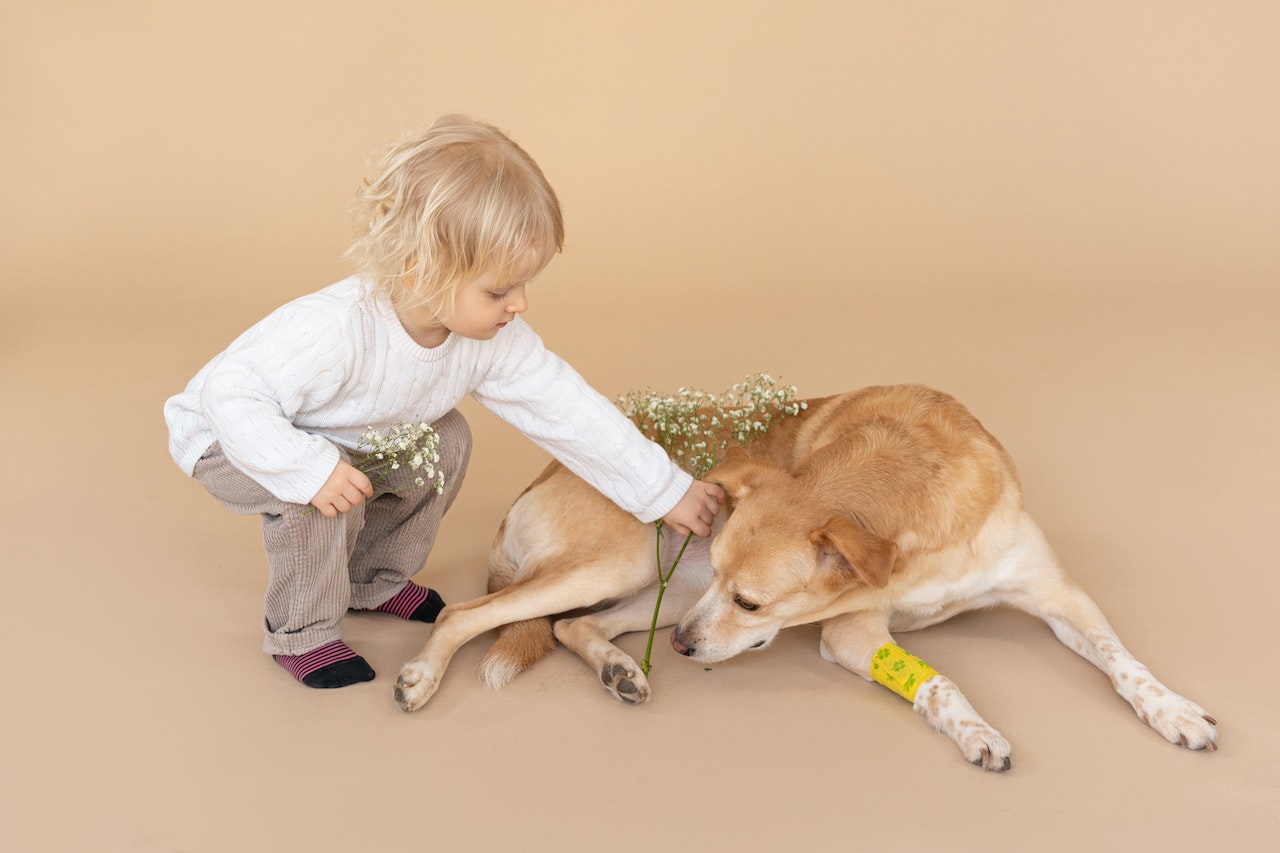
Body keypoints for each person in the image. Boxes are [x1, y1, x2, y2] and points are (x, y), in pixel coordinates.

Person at [164, 115, 724, 689]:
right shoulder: (334, 330)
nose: (519, 304)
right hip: (234, 435)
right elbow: (232, 393)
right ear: (422, 273)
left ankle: (372, 579)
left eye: (524, 285)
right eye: (499, 290)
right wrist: (306, 468)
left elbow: (567, 410)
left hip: (345, 437)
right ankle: (301, 633)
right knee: (321, 502)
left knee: (446, 438)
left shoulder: (491, 338)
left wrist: (663, 489)